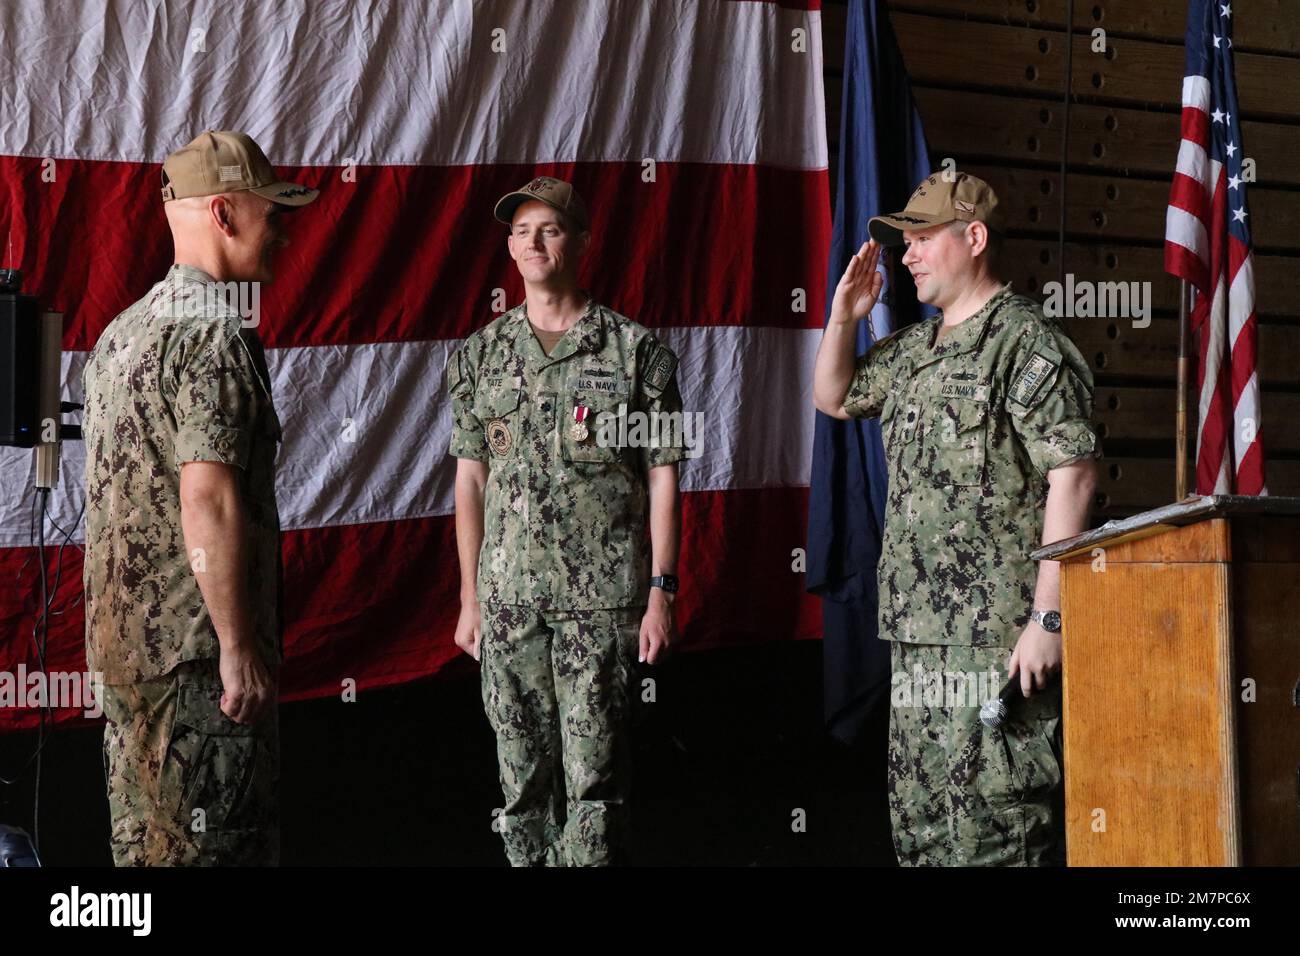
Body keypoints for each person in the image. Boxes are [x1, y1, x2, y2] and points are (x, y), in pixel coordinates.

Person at [812, 172, 1099, 865]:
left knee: (995, 837)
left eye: (920, 238)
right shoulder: (916, 350)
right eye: (903, 241)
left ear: (973, 238)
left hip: (996, 644)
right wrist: (844, 314)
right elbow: (834, 396)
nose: (906, 255)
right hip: (919, 640)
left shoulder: (1024, 343)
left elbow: (1076, 472)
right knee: (923, 834)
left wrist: (1049, 618)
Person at [82, 130, 317, 865]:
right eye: (271, 212)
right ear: (224, 215)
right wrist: (238, 649)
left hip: (126, 664)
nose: (281, 231)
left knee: (145, 859)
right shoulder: (216, 334)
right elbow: (206, 499)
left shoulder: (119, 337)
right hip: (197, 666)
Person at [446, 176, 686, 865]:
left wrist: (661, 590)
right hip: (508, 600)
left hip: (602, 604)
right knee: (520, 783)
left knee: (596, 782)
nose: (532, 242)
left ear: (580, 239)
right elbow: (471, 479)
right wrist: (469, 597)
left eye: (549, 229)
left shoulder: (637, 353)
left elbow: (664, 474)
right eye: (520, 231)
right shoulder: (479, 356)